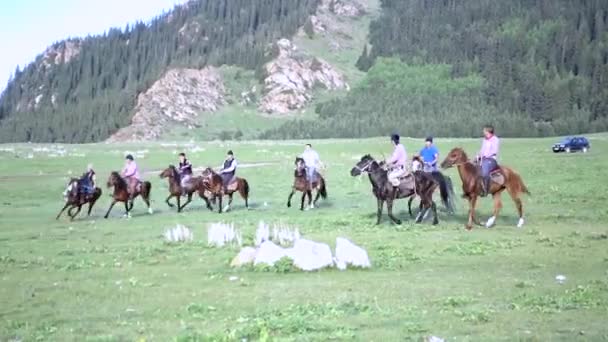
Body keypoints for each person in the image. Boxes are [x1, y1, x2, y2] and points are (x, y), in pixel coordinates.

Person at [477, 125, 500, 197]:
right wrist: (477, 156)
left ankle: (486, 190)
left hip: (491, 159)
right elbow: (482, 150)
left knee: (485, 173)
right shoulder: (485, 140)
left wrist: (485, 156)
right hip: (483, 159)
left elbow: (494, 151)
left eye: (484, 131)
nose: (483, 132)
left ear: (488, 131)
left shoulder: (495, 139)